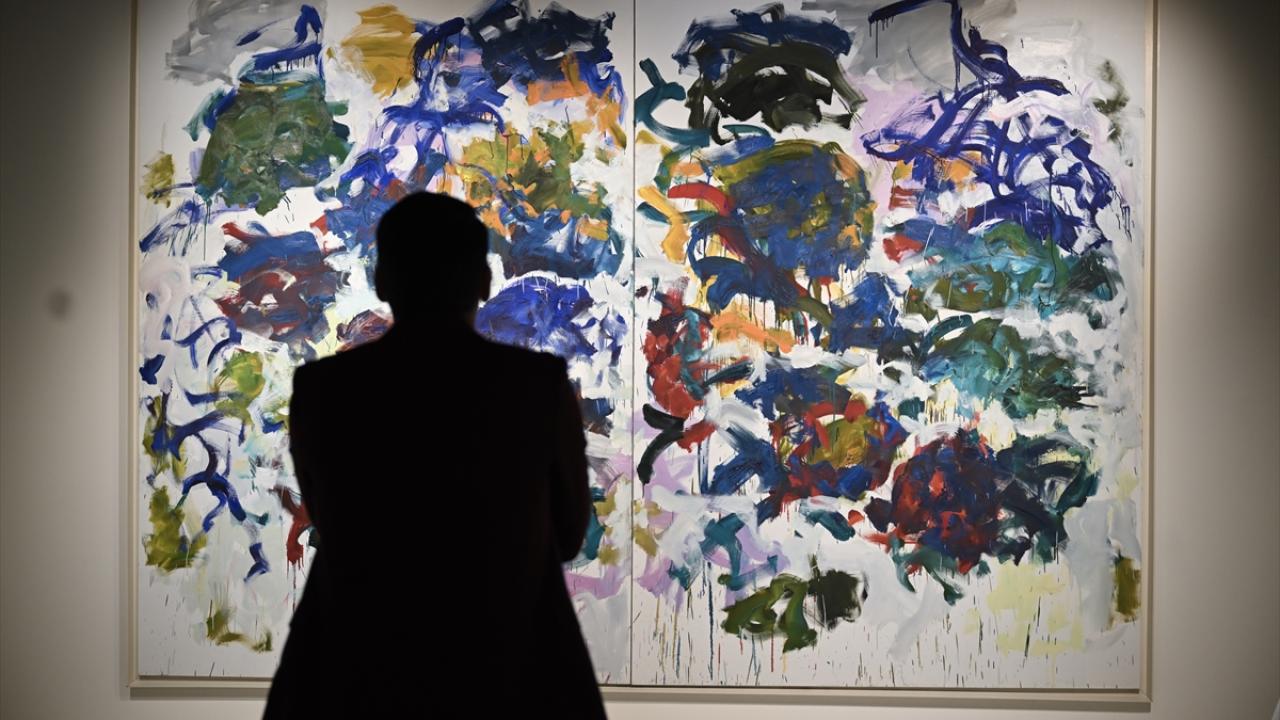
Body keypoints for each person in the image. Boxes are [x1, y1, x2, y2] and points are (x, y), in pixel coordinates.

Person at [264, 192, 605, 718]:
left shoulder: (324, 389)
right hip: (512, 666)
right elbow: (567, 532)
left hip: (355, 668)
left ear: (383, 282)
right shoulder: (536, 386)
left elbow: (330, 519)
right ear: (484, 282)